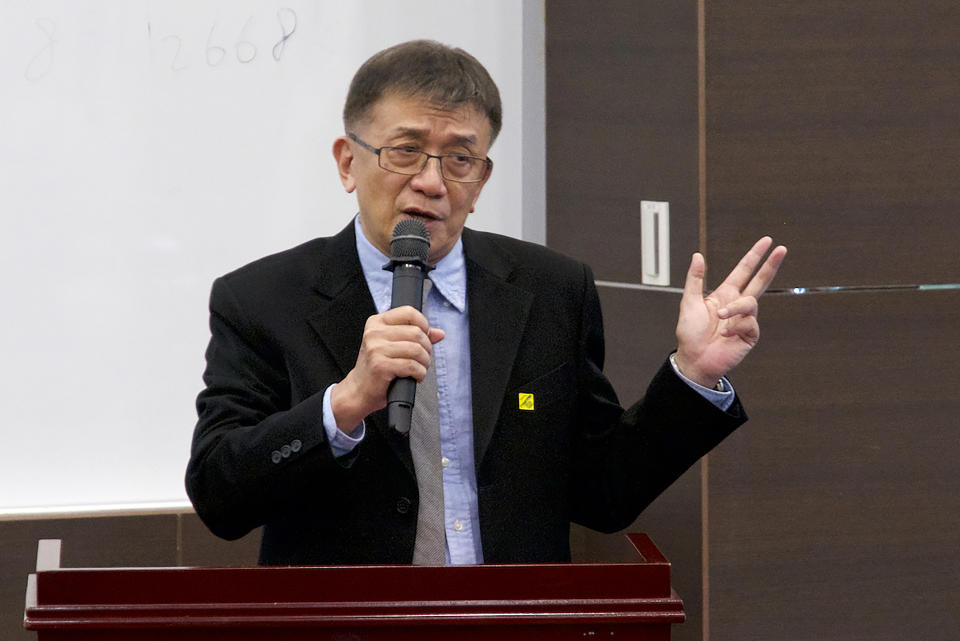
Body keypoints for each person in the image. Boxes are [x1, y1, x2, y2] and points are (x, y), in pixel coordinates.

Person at [185, 40, 787, 566]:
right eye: (405, 151)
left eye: (461, 159)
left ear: (483, 178)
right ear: (348, 162)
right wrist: (342, 406)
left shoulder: (551, 289)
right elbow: (219, 495)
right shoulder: (263, 298)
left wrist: (693, 375)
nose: (432, 181)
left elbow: (604, 495)